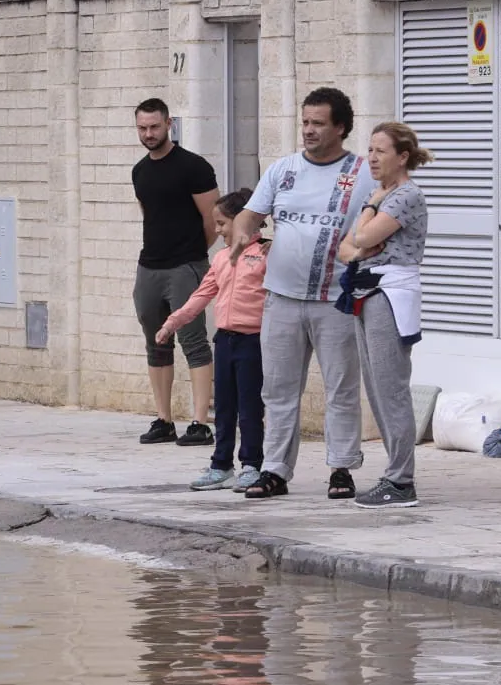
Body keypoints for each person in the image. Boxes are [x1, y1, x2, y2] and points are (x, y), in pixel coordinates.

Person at [229, 87, 375, 500]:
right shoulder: (283, 170)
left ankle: (341, 468)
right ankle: (275, 470)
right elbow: (250, 214)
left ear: (340, 128)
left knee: (342, 387)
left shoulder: (363, 173)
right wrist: (242, 233)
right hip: (281, 299)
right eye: (305, 122)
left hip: (337, 301)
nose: (308, 130)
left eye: (318, 123)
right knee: (277, 388)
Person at [336, 123, 431, 510]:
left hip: (389, 294)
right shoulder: (379, 194)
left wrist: (367, 223)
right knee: (374, 387)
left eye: (380, 151)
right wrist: (361, 242)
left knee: (391, 387)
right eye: (370, 150)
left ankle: (401, 480)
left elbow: (362, 237)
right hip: (364, 289)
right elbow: (347, 247)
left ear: (402, 156)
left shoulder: (405, 195)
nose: (372, 158)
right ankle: (393, 474)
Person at [158, 189, 268, 493]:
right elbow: (201, 296)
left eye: (222, 223)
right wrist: (173, 322)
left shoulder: (265, 253)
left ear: (243, 220)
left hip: (253, 342)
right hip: (225, 340)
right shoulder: (220, 259)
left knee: (249, 406)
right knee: (224, 406)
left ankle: (252, 465)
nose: (217, 231)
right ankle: (221, 465)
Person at [131, 98, 219, 447]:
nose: (149, 134)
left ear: (169, 124)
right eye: (142, 128)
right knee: (156, 342)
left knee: (194, 341)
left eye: (154, 126)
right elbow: (148, 215)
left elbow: (213, 220)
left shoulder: (194, 167)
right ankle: (164, 420)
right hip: (149, 266)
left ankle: (200, 422)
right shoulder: (139, 171)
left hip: (186, 265)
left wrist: (195, 256)